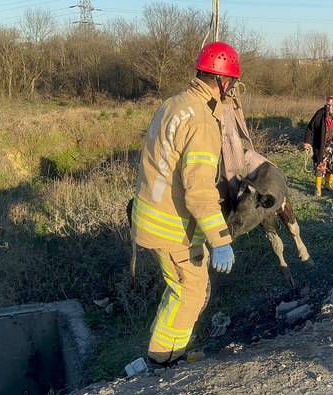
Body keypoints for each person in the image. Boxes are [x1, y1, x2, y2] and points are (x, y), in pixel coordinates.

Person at [130, 41, 239, 366]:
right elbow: (199, 191)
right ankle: (162, 362)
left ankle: (168, 354)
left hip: (152, 214)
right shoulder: (203, 123)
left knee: (183, 287)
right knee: (189, 292)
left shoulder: (174, 104)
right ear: (226, 82)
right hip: (171, 227)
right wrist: (220, 240)